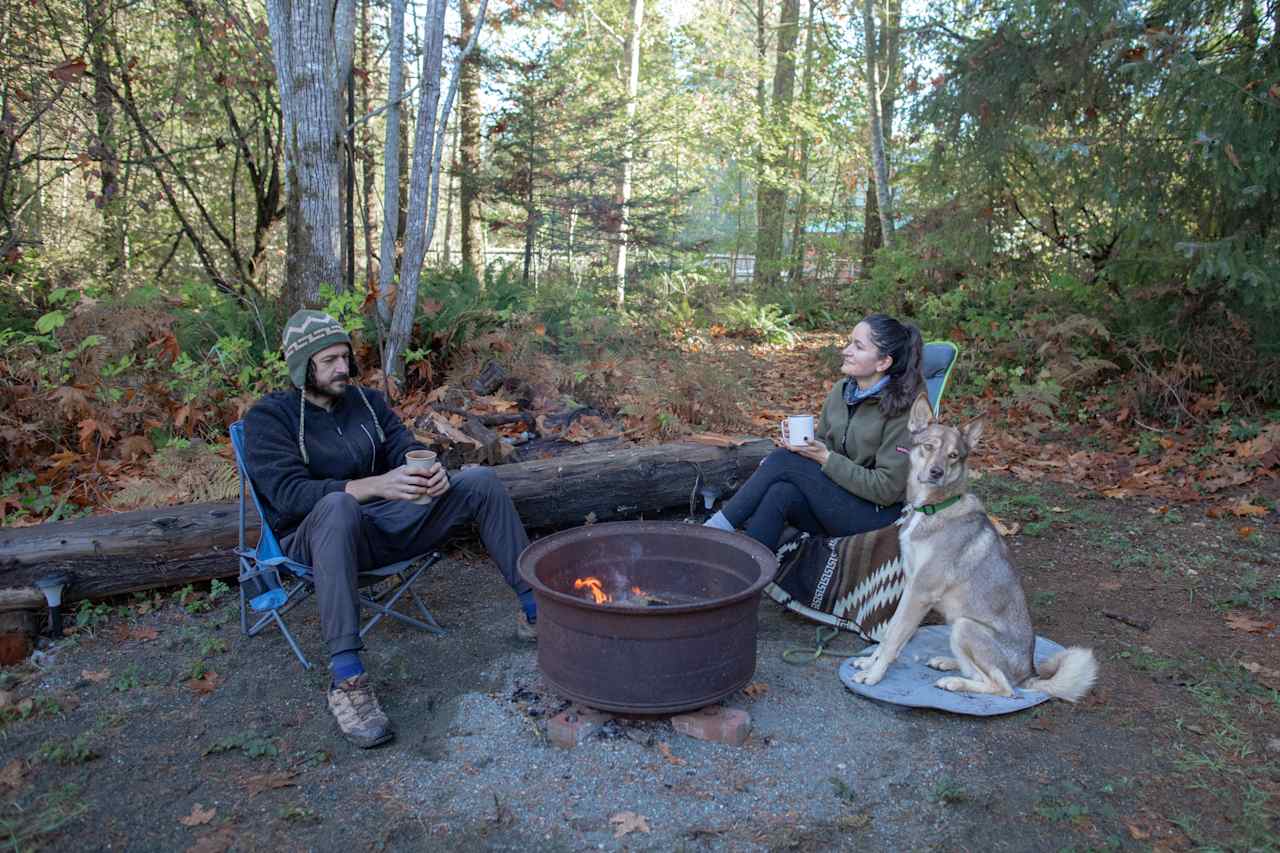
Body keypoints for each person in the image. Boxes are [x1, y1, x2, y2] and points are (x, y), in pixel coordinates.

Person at [243, 310, 537, 748]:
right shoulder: (270, 418)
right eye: (329, 361)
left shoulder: (367, 403)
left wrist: (428, 470)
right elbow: (288, 494)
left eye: (344, 357)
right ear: (303, 367)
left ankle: (537, 611)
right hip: (315, 540)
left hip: (381, 527)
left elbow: (403, 446)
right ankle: (347, 680)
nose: (342, 368)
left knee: (479, 482)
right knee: (338, 506)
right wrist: (373, 485)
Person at [705, 313, 925, 550]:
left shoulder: (904, 410)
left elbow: (886, 489)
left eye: (858, 346)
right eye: (850, 342)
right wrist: (806, 450)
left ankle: (711, 534)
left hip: (876, 517)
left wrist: (823, 457)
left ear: (883, 363)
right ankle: (749, 572)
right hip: (837, 499)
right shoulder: (843, 391)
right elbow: (824, 442)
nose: (846, 351)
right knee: (781, 492)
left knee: (782, 461)